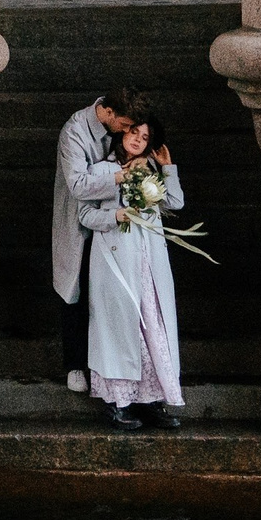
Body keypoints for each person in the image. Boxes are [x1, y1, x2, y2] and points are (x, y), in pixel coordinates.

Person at [78, 112, 185, 430]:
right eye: (134, 133)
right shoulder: (102, 170)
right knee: (119, 328)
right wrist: (117, 216)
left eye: (145, 137)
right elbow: (85, 213)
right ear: (122, 133)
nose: (137, 140)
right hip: (114, 259)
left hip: (148, 262)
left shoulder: (151, 171)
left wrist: (168, 168)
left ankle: (150, 401)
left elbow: (175, 203)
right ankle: (117, 404)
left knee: (152, 327)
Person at [50, 86, 146, 395]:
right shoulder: (74, 132)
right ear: (107, 112)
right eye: (124, 125)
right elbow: (78, 185)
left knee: (104, 295)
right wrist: (119, 176)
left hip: (114, 222)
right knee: (74, 290)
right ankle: (75, 365)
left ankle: (105, 366)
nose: (126, 131)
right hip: (80, 219)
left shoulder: (118, 127)